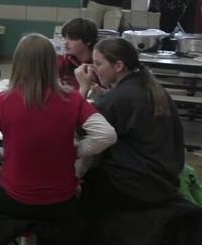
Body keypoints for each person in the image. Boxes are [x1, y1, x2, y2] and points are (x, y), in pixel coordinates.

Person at [0, 34, 116, 244]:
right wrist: (73, 150)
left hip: (15, 199)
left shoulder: (0, 102)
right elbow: (106, 135)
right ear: (51, 63)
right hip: (62, 202)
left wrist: (2, 155)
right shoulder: (72, 98)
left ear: (17, 62)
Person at [75, 38, 185, 211]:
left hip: (134, 185)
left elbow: (76, 127)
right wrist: (107, 94)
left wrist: (82, 88)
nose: (93, 69)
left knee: (75, 184)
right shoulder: (151, 88)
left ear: (118, 66)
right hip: (164, 181)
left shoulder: (120, 98)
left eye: (98, 64)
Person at [57, 17, 97, 90]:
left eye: (72, 39)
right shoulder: (62, 60)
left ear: (88, 41)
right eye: (65, 38)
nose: (65, 43)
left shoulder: (100, 63)